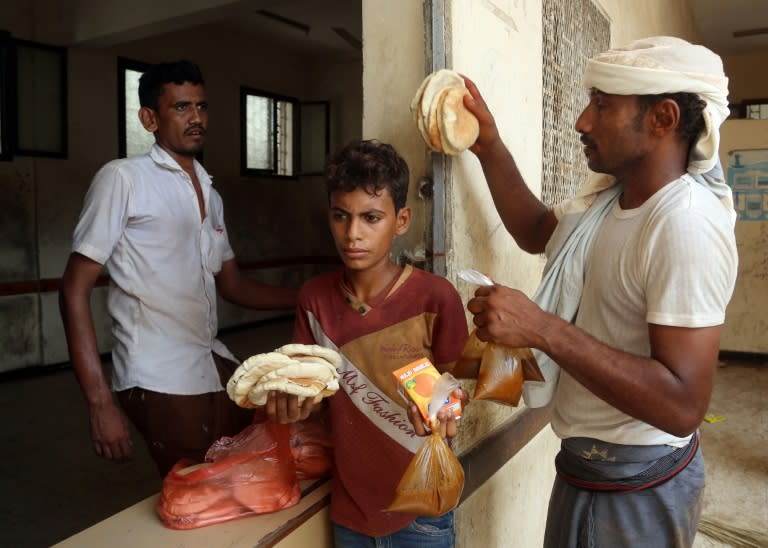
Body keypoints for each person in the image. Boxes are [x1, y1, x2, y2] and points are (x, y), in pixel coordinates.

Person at [460, 36, 738, 547]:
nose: (583, 121)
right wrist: (489, 145)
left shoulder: (683, 225)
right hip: (593, 472)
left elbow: (681, 405)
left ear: (663, 118)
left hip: (635, 493)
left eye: (603, 105)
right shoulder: (611, 203)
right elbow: (539, 231)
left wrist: (541, 329)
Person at [59, 60, 297, 477]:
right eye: (182, 108)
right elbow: (73, 290)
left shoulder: (209, 190)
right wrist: (100, 403)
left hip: (209, 358)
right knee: (203, 488)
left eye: (202, 107)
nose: (196, 119)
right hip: (157, 374)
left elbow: (234, 286)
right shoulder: (123, 179)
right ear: (149, 118)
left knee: (255, 461)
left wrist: (314, 296)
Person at [266, 139, 468, 547]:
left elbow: (461, 385)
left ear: (401, 219)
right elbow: (311, 393)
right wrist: (292, 404)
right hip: (351, 511)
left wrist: (445, 408)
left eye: (370, 218)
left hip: (423, 511)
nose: (352, 234)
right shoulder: (315, 300)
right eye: (341, 216)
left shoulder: (434, 297)